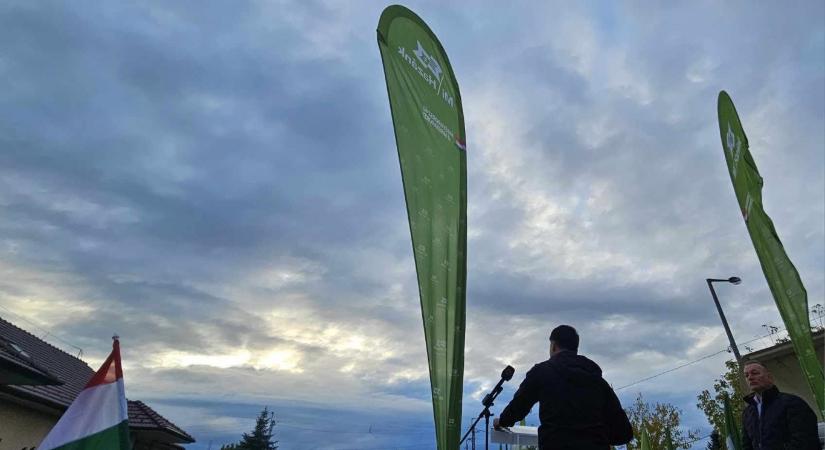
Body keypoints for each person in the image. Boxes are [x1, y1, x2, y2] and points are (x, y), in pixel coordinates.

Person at [493, 325, 633, 450]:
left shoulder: (542, 372)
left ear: (553, 346)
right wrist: (597, 439)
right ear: (575, 348)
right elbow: (624, 432)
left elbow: (519, 406)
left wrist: (502, 421)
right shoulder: (597, 380)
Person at [741, 359, 820, 450]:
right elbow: (747, 446)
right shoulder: (747, 413)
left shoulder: (792, 403)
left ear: (769, 377)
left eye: (755, 373)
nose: (750, 378)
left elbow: (805, 441)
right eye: (746, 375)